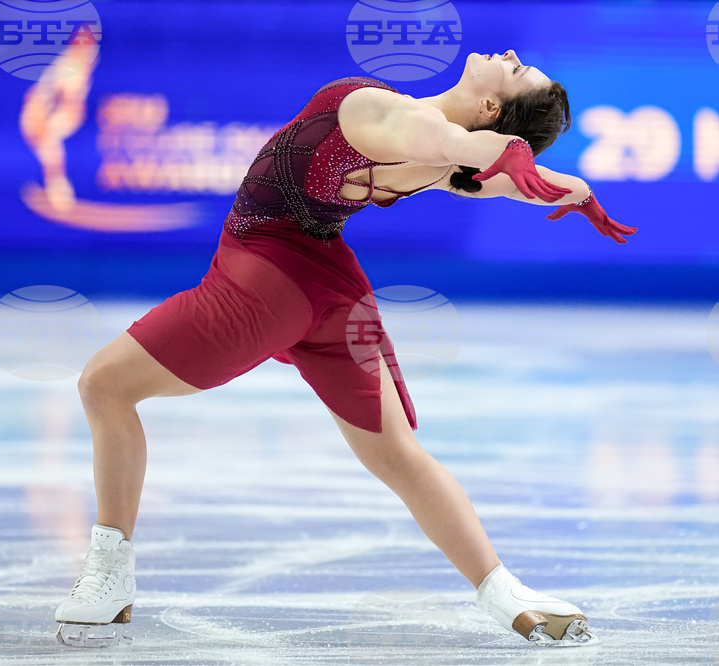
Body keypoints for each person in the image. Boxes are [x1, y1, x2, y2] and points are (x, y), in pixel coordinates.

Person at [54, 50, 637, 648]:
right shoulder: (439, 168)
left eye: (516, 71)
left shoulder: (380, 111)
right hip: (331, 296)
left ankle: (109, 578)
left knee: (104, 385)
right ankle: (503, 592)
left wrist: (513, 156)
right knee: (396, 455)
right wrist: (572, 188)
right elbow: (516, 179)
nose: (510, 55)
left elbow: (442, 138)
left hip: (261, 284)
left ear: (490, 108)